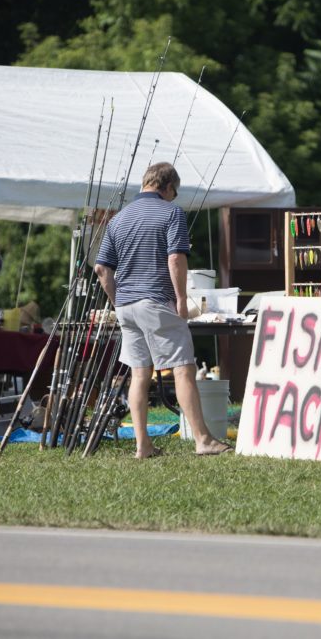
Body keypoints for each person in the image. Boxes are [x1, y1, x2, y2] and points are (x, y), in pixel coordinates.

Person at [94, 162, 231, 459]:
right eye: (175, 193)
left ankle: (142, 445)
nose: (174, 198)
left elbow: (102, 269)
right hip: (156, 301)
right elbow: (175, 259)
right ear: (167, 187)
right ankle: (203, 439)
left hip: (127, 307)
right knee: (183, 368)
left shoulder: (117, 220)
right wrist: (181, 298)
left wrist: (119, 302)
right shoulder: (172, 213)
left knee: (140, 373)